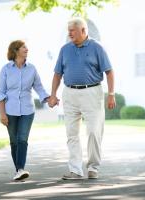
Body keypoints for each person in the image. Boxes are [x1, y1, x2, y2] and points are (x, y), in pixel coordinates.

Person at [48, 17, 116, 180]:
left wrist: (111, 94)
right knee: (71, 133)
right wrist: (53, 95)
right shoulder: (65, 49)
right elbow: (57, 74)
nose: (69, 33)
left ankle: (93, 167)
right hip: (70, 93)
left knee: (93, 131)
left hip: (92, 93)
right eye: (68, 30)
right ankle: (75, 170)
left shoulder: (97, 48)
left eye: (72, 30)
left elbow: (109, 72)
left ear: (83, 31)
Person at [0, 40, 49, 181]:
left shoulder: (32, 69)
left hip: (27, 110)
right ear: (15, 50)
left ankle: (20, 169)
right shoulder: (6, 69)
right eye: (24, 47)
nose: (27, 49)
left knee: (22, 139)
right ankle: (18, 170)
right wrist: (2, 113)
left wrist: (47, 98)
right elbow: (1, 92)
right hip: (10, 111)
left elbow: (39, 87)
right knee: (14, 141)